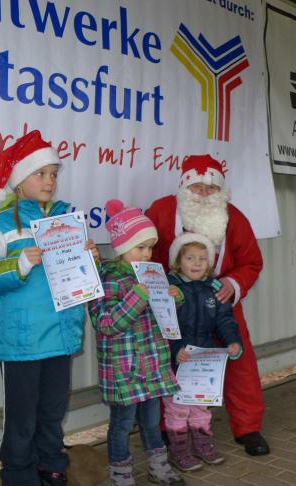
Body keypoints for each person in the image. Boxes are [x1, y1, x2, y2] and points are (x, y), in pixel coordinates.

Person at [0, 130, 97, 486]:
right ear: (19, 179)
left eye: (53, 173)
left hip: (61, 337)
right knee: (21, 421)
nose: (50, 181)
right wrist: (18, 264)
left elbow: (79, 277)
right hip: (22, 344)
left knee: (52, 412)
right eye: (41, 173)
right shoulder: (1, 223)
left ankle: (51, 466)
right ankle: (19, 475)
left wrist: (90, 259)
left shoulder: (67, 218)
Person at [145, 154, 268, 456]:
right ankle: (165, 427)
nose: (203, 192)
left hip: (220, 300)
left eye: (210, 188)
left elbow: (251, 261)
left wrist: (233, 284)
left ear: (220, 191)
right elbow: (147, 255)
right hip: (175, 306)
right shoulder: (161, 211)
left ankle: (248, 427)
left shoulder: (234, 218)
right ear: (184, 187)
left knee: (239, 360)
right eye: (197, 186)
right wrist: (161, 291)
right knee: (166, 361)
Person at [89, 199, 184, 486]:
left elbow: (163, 317)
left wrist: (174, 298)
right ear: (122, 246)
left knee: (152, 421)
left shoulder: (151, 274)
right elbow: (106, 323)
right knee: (121, 425)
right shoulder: (107, 279)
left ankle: (158, 468)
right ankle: (121, 475)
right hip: (125, 370)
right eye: (140, 247)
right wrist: (138, 296)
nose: (147, 253)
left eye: (150, 247)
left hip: (152, 364)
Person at [163, 233, 243, 472]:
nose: (197, 263)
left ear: (209, 263)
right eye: (190, 258)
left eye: (202, 258)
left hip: (203, 362)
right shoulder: (169, 289)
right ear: (178, 261)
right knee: (177, 409)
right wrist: (176, 349)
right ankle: (178, 451)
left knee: (201, 406)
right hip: (177, 361)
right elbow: (163, 324)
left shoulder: (214, 289)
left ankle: (202, 445)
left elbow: (225, 320)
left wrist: (233, 342)